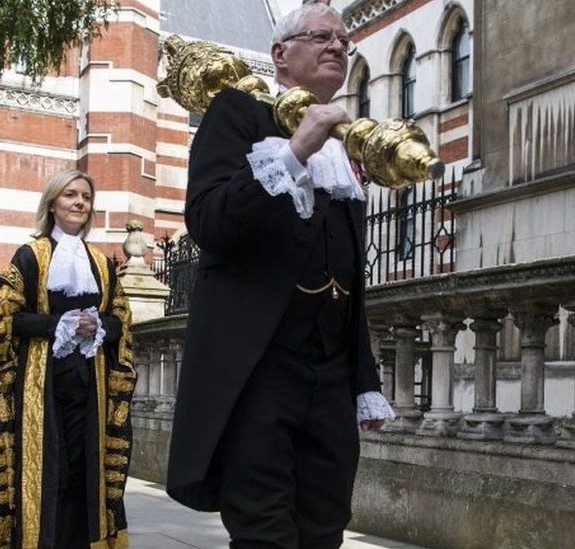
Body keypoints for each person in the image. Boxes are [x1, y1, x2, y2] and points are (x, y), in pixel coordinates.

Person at [165, 4, 396, 548]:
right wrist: (295, 151)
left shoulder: (346, 142)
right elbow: (209, 223)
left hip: (331, 376)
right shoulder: (237, 113)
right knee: (264, 532)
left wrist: (364, 381)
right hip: (258, 369)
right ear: (280, 55)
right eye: (321, 36)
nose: (337, 46)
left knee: (324, 527)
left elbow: (348, 277)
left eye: (343, 39)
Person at [0, 169, 136, 549]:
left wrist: (97, 325)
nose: (79, 202)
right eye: (70, 195)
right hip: (41, 387)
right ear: (52, 203)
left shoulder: (101, 262)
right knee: (52, 471)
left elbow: (121, 321)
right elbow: (4, 317)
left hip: (90, 385)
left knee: (85, 473)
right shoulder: (30, 255)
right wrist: (57, 325)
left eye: (85, 196)